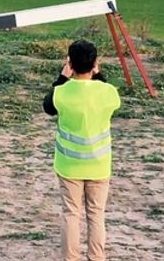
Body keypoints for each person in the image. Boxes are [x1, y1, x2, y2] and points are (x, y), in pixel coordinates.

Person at [42, 40, 121, 261]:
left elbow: (48, 106)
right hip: (99, 165)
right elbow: (113, 99)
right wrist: (99, 75)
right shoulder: (108, 92)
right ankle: (96, 257)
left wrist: (61, 78)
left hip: (69, 165)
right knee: (96, 215)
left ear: (70, 63)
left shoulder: (61, 93)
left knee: (71, 214)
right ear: (95, 63)